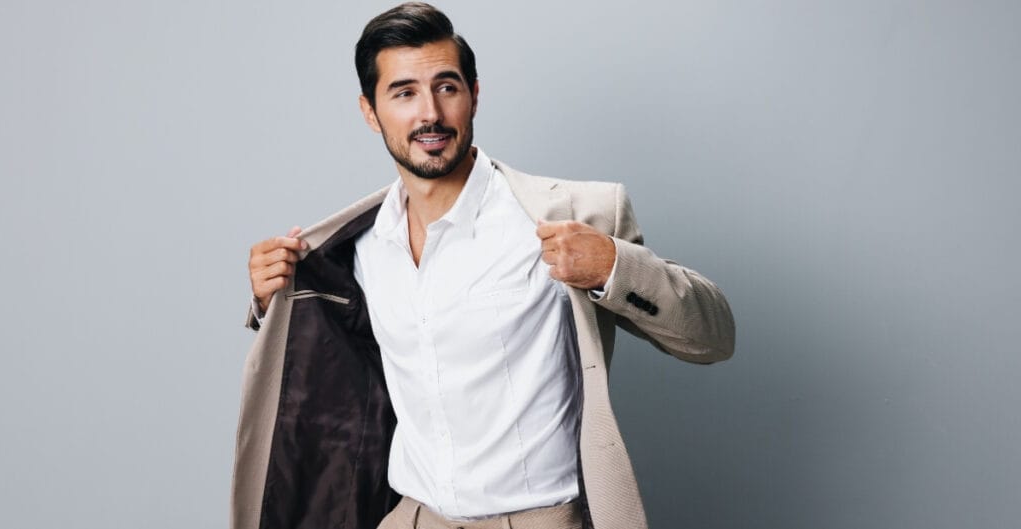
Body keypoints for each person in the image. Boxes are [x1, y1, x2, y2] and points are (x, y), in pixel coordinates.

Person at [233, 3, 735, 529]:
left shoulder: (559, 217)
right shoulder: (356, 247)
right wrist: (278, 300)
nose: (430, 113)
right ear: (370, 111)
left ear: (474, 94)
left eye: (446, 87)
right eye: (404, 93)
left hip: (537, 519)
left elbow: (714, 337)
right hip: (413, 518)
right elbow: (329, 378)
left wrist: (613, 266)